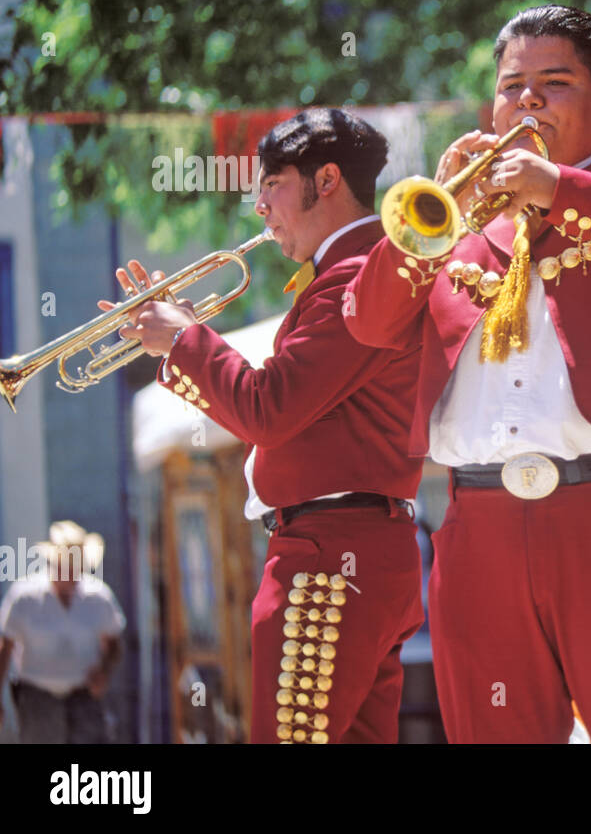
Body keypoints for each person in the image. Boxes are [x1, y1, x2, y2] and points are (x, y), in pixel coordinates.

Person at [346, 4, 591, 743]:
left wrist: (558, 187)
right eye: (511, 86)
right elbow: (367, 323)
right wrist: (437, 215)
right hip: (479, 525)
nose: (525, 102)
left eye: (553, 84)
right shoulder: (457, 220)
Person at [103, 108, 425, 743]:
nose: (259, 207)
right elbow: (274, 415)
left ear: (325, 179)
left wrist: (187, 341)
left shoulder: (350, 281)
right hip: (353, 550)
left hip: (328, 557)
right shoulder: (353, 276)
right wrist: (184, 343)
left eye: (271, 183)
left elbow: (266, 410)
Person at [0, 521, 124, 743]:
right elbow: (5, 647)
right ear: (54, 562)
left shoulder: (98, 597)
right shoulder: (25, 597)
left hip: (83, 696)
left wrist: (103, 670)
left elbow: (114, 644)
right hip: (37, 697)